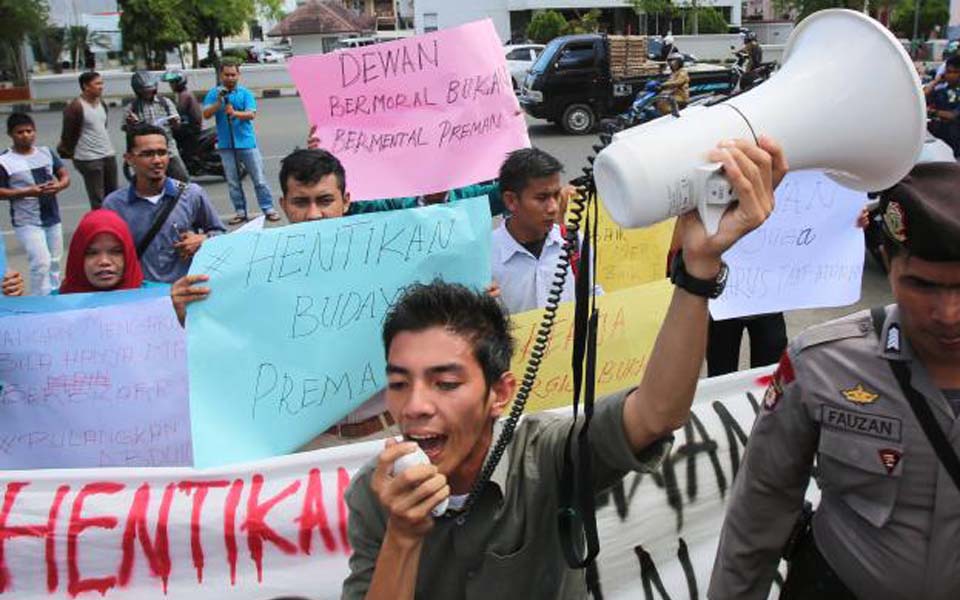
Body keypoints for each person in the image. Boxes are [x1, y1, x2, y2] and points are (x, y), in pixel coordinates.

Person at [340, 135, 785, 599]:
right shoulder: (375, 493)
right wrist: (402, 538)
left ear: (500, 393)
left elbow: (655, 413)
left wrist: (699, 268)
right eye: (398, 383)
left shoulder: (547, 459)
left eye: (446, 383)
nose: (415, 407)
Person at [709, 162, 960, 600]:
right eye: (922, 285)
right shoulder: (822, 363)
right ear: (887, 261)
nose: (948, 314)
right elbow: (760, 507)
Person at [103, 123, 224, 284]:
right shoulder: (114, 205)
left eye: (162, 153)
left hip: (186, 293)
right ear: (129, 159)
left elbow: (221, 234)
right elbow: (106, 253)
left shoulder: (192, 194)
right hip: (139, 296)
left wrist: (203, 240)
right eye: (147, 154)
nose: (157, 160)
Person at [491, 147, 593, 314]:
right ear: (511, 201)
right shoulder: (486, 257)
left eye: (556, 195)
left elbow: (589, 293)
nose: (553, 208)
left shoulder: (575, 243)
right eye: (541, 198)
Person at [0, 113, 70, 295]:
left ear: (35, 132)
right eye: (20, 132)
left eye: (29, 131)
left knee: (55, 261)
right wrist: (27, 192)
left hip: (52, 217)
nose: (25, 135)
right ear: (11, 134)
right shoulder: (5, 161)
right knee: (41, 263)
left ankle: (53, 295)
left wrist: (58, 186)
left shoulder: (46, 152)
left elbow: (64, 176)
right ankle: (40, 299)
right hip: (27, 221)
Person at [202, 61, 280, 224]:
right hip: (226, 144)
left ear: (238, 76)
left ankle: (268, 209)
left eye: (233, 75)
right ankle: (240, 211)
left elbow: (251, 114)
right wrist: (218, 103)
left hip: (246, 143)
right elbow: (206, 114)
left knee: (258, 178)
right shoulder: (214, 94)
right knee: (233, 181)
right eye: (226, 75)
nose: (230, 78)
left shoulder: (245, 93)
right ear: (220, 76)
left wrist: (234, 112)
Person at [57, 71, 118, 209]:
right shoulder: (75, 107)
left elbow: (103, 126)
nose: (101, 86)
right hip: (88, 158)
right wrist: (72, 154)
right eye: (97, 84)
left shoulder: (102, 103)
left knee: (113, 196)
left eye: (102, 83)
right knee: (98, 199)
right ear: (86, 86)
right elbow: (67, 135)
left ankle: (114, 224)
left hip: (108, 154)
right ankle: (101, 227)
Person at [59, 209, 146, 294]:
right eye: (92, 253)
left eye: (115, 252)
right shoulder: (52, 305)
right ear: (77, 257)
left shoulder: (155, 300)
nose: (104, 261)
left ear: (128, 255)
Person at [125, 71, 189, 182]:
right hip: (146, 151)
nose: (148, 93)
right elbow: (126, 129)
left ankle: (183, 198)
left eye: (150, 90)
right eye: (145, 91)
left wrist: (175, 122)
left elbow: (177, 126)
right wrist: (132, 123)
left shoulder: (165, 102)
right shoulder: (132, 107)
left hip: (168, 148)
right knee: (150, 180)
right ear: (138, 91)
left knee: (181, 178)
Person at [924, 55, 960, 156]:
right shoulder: (941, 91)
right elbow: (921, 98)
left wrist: (931, 112)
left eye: (955, 72)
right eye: (948, 72)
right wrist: (936, 82)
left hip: (956, 144)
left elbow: (953, 115)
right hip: (940, 141)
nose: (951, 75)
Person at [163, 70, 203, 136]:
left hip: (190, 130)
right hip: (190, 128)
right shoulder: (185, 93)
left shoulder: (184, 95)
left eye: (172, 83)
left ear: (179, 82)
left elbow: (178, 112)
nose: (170, 85)